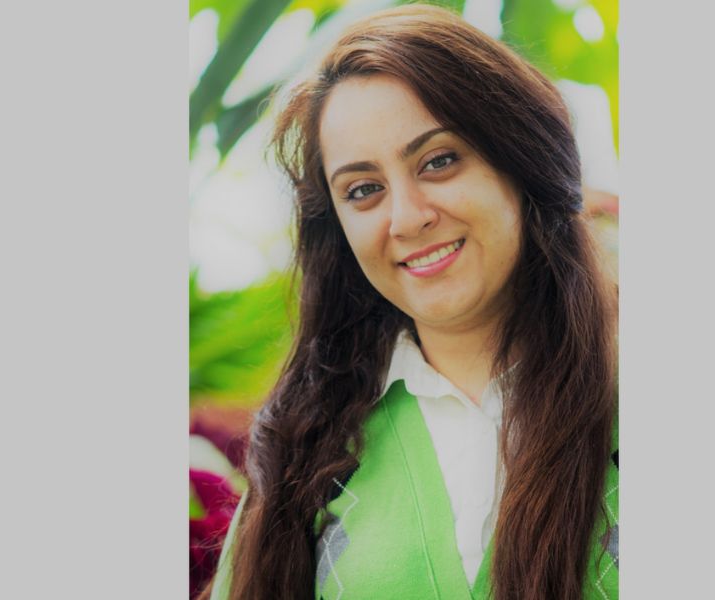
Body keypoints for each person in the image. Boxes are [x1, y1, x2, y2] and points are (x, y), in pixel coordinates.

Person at [208, 4, 618, 599]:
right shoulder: (306, 451)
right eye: (364, 190)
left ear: (520, 160)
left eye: (439, 160)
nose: (407, 218)